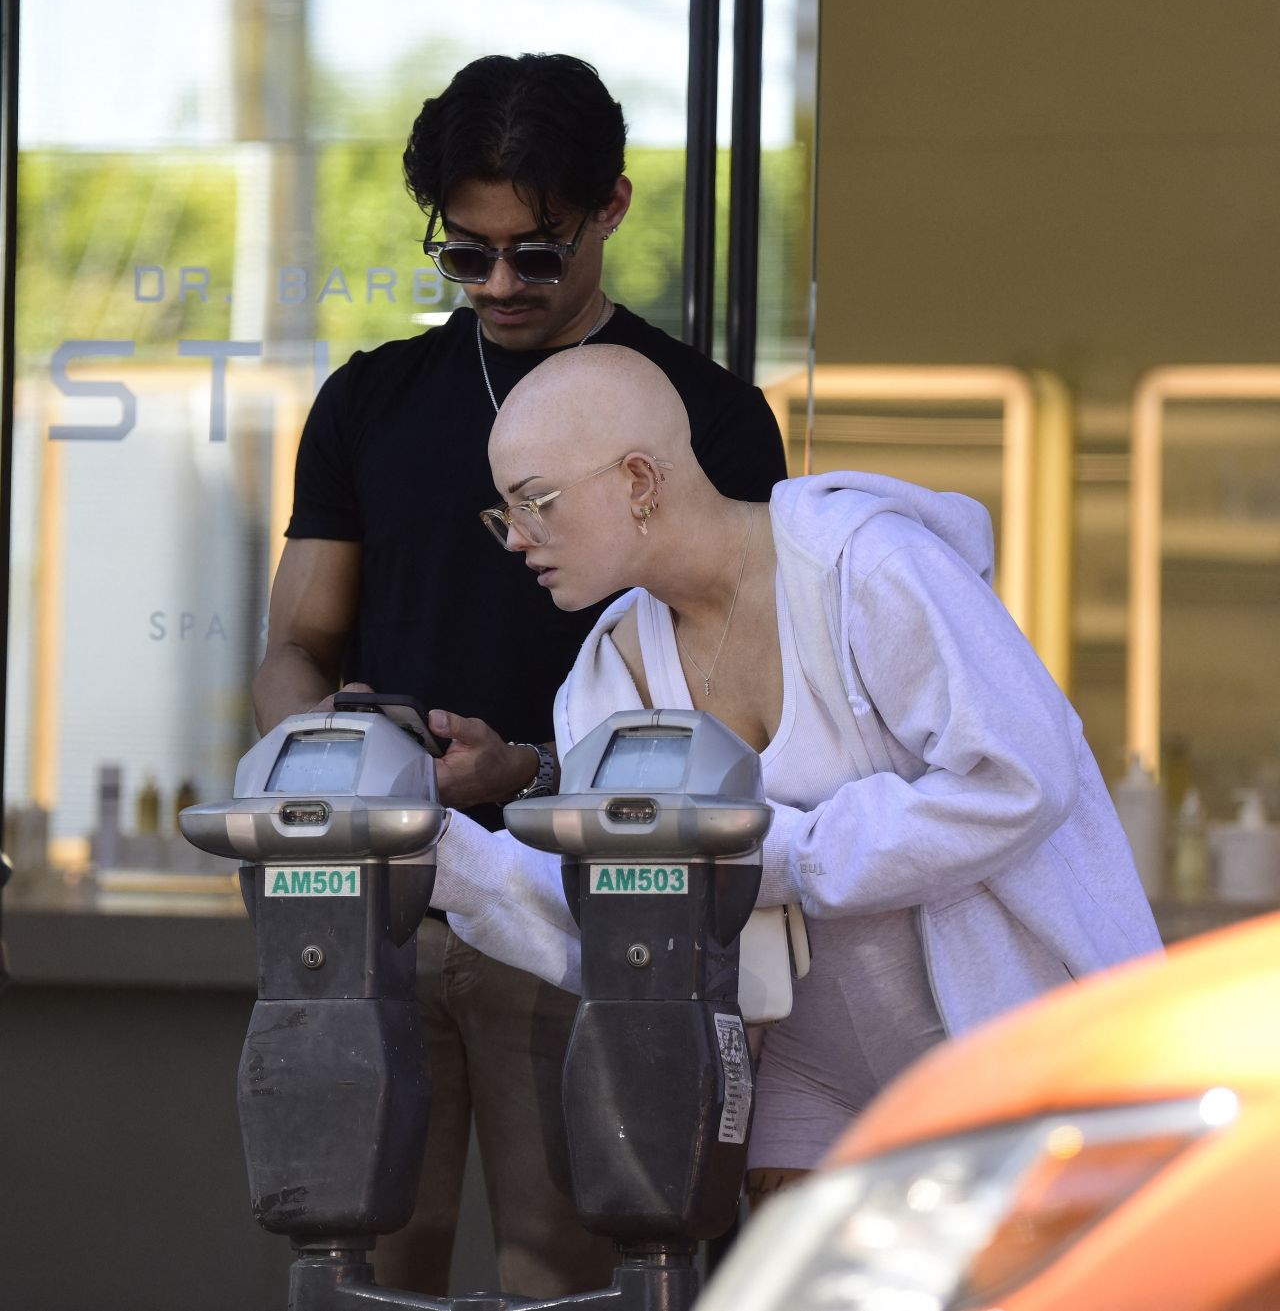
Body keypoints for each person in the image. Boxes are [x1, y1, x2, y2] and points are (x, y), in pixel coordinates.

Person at [252, 54, 787, 1296]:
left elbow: (744, 705)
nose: (498, 282)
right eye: (465, 253)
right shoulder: (375, 399)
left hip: (588, 912)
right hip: (373, 906)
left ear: (612, 205)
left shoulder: (703, 417)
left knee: (574, 1270)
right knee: (367, 1267)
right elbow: (293, 645)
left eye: (534, 252)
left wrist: (532, 770)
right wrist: (330, 766)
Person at [427, 344, 1164, 1199]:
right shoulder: (606, 676)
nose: (516, 537)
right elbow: (617, 915)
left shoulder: (865, 567)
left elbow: (1019, 780)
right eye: (505, 511)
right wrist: (450, 856)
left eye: (535, 502)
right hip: (806, 1069)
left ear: (638, 480)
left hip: (1016, 1043)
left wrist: (781, 854)